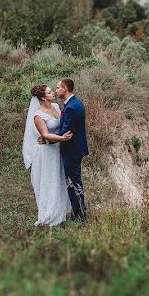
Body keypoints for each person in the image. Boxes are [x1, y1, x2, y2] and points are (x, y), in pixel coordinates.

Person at [22, 84, 72, 226]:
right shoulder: (38, 115)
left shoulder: (56, 107)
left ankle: (60, 209)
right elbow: (44, 134)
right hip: (46, 152)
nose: (53, 94)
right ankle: (48, 213)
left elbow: (61, 126)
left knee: (58, 177)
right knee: (49, 180)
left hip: (56, 149)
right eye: (50, 93)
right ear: (43, 98)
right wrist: (61, 139)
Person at [45, 78, 89, 222]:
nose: (56, 90)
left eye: (58, 88)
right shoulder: (75, 103)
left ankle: (80, 216)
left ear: (65, 89)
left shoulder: (70, 107)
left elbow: (65, 132)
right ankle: (80, 212)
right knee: (75, 181)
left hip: (72, 150)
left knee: (73, 182)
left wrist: (47, 138)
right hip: (76, 149)